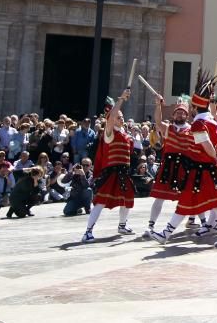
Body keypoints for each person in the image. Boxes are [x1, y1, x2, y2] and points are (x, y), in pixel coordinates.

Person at [151, 73, 217, 248]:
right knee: (189, 201)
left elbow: (207, 146)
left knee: (214, 203)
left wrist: (214, 159)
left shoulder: (199, 124)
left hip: (202, 169)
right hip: (202, 170)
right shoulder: (211, 121)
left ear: (194, 108)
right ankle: (166, 233)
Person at [82, 90, 135, 242]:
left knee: (128, 198)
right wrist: (121, 100)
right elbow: (111, 116)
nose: (121, 119)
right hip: (112, 173)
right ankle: (88, 232)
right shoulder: (109, 132)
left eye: (122, 117)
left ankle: (122, 225)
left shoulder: (125, 134)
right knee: (101, 201)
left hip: (124, 172)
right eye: (119, 117)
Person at [144, 96, 192, 238]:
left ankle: (197, 220)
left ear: (187, 115)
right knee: (159, 197)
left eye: (183, 113)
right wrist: (158, 105)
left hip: (184, 168)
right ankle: (150, 226)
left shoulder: (191, 129)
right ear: (173, 115)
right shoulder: (168, 127)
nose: (180, 114)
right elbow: (158, 122)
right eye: (177, 112)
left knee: (189, 195)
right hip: (168, 168)